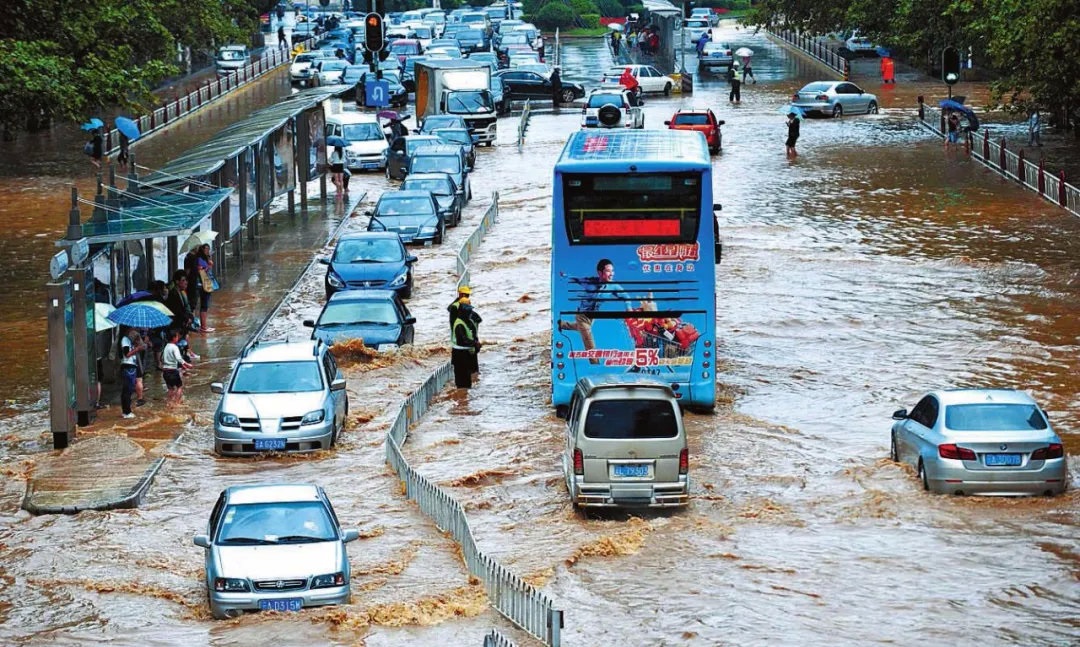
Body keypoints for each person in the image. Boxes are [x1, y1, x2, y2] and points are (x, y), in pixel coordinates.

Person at [556, 259, 630, 365]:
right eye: (608, 271)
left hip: (592, 317)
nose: (612, 274)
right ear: (600, 273)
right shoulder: (589, 282)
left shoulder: (613, 286)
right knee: (589, 341)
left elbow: (625, 296)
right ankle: (595, 365)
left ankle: (561, 324)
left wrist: (628, 308)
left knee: (581, 328)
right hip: (582, 315)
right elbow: (576, 279)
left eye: (612, 271)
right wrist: (565, 275)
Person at [450, 297, 481, 389]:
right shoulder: (459, 324)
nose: (470, 314)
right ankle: (462, 401)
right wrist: (474, 343)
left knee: (466, 382)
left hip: (464, 355)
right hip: (460, 355)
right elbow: (462, 340)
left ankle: (463, 400)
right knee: (462, 383)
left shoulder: (465, 322)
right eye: (468, 312)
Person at [161, 328, 193, 407]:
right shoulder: (174, 347)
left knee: (170, 388)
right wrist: (187, 364)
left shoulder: (166, 347)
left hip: (165, 372)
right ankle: (177, 403)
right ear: (174, 338)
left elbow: (161, 359)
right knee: (179, 387)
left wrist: (183, 366)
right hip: (172, 371)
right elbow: (179, 358)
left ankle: (169, 403)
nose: (178, 338)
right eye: (177, 337)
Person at [119, 328, 145, 419]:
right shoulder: (125, 340)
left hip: (131, 366)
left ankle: (127, 411)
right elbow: (127, 354)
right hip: (128, 366)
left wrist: (137, 344)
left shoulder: (130, 340)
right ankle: (126, 412)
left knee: (129, 389)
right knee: (127, 390)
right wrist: (137, 349)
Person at [195, 243, 216, 332]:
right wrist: (209, 266)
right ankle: (203, 326)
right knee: (204, 305)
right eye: (206, 249)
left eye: (208, 249)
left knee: (205, 305)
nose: (207, 251)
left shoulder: (206, 258)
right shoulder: (199, 259)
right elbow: (201, 271)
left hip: (207, 282)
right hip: (203, 284)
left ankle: (204, 325)